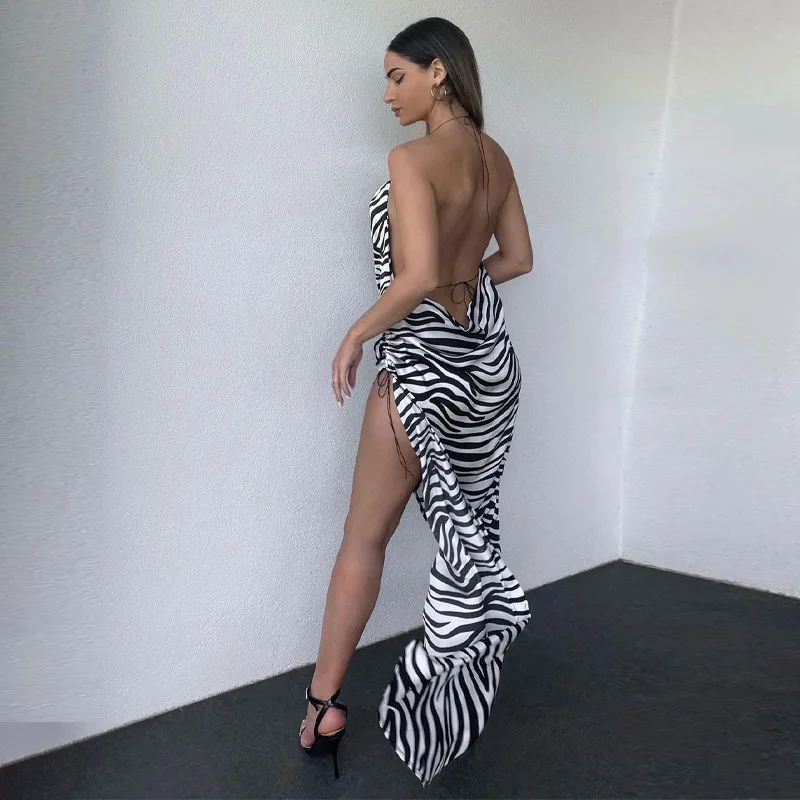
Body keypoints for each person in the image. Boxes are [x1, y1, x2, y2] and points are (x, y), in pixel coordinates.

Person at [297, 16, 534, 785]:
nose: (388, 94)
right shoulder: (496, 157)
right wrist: (467, 284)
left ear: (439, 71)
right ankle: (459, 684)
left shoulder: (411, 160)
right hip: (487, 372)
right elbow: (518, 258)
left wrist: (355, 334)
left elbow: (418, 275)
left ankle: (322, 707)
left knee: (363, 539)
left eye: (397, 76)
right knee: (470, 525)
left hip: (424, 369)